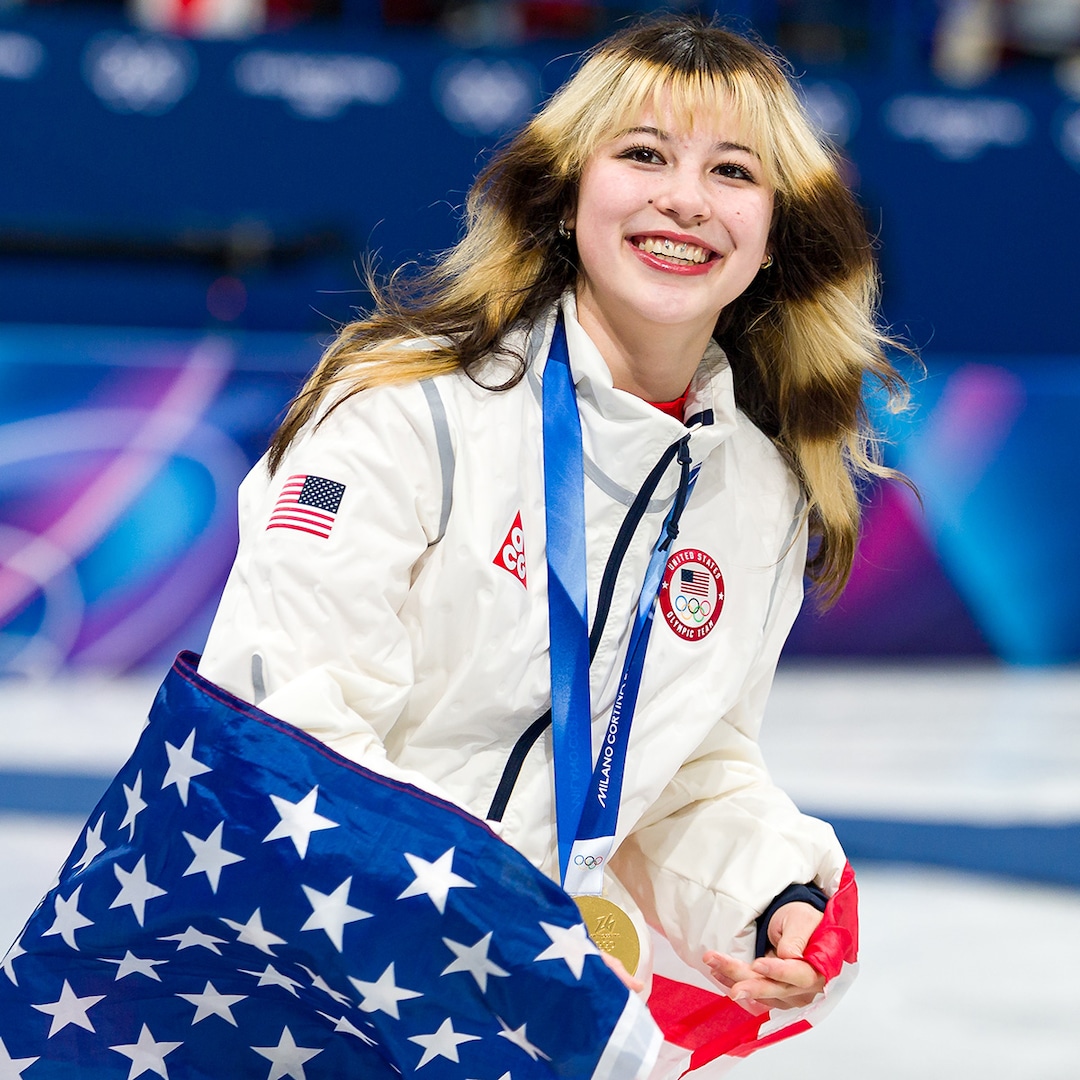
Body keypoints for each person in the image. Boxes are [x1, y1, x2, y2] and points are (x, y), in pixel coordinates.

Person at [198, 13, 903, 1030]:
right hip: (301, 992)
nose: (684, 199)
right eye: (645, 153)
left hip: (517, 1014)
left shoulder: (758, 489)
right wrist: (488, 931)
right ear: (566, 194)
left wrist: (775, 901)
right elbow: (284, 726)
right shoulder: (406, 407)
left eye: (734, 172)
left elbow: (685, 769)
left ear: (776, 232)